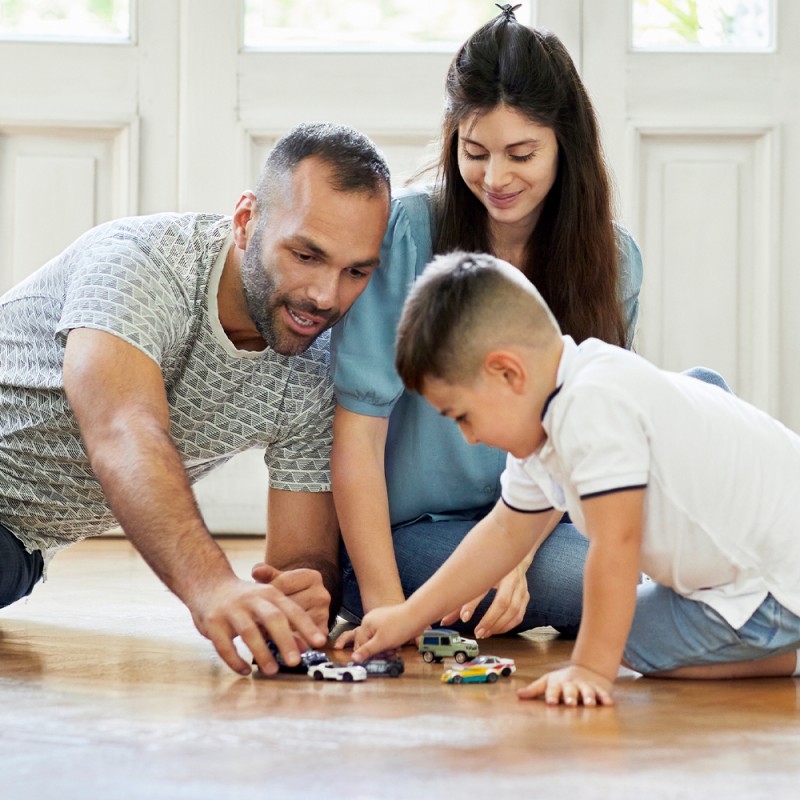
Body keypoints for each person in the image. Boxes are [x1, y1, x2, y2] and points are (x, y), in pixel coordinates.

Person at [0, 121, 391, 677]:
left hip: (16, 548)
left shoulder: (320, 365)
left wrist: (304, 592)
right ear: (245, 222)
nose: (326, 296)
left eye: (355, 271)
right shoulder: (141, 262)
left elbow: (300, 555)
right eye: (305, 255)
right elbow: (122, 433)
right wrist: (211, 587)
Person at [351, 251, 800, 706]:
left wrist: (590, 668)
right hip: (762, 573)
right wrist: (408, 615)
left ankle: (786, 651)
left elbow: (616, 544)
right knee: (615, 621)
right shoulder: (554, 412)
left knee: (621, 638)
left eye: (463, 416)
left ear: (508, 373)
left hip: (776, 585)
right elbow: (504, 532)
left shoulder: (591, 407)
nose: (468, 438)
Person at [330, 4, 643, 647]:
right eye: (474, 152)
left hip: (543, 519)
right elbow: (357, 439)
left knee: (692, 438)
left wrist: (517, 557)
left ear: (566, 145)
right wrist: (391, 615)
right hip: (413, 535)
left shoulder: (614, 260)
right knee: (619, 575)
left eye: (521, 153)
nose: (495, 179)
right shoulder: (409, 234)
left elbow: (587, 436)